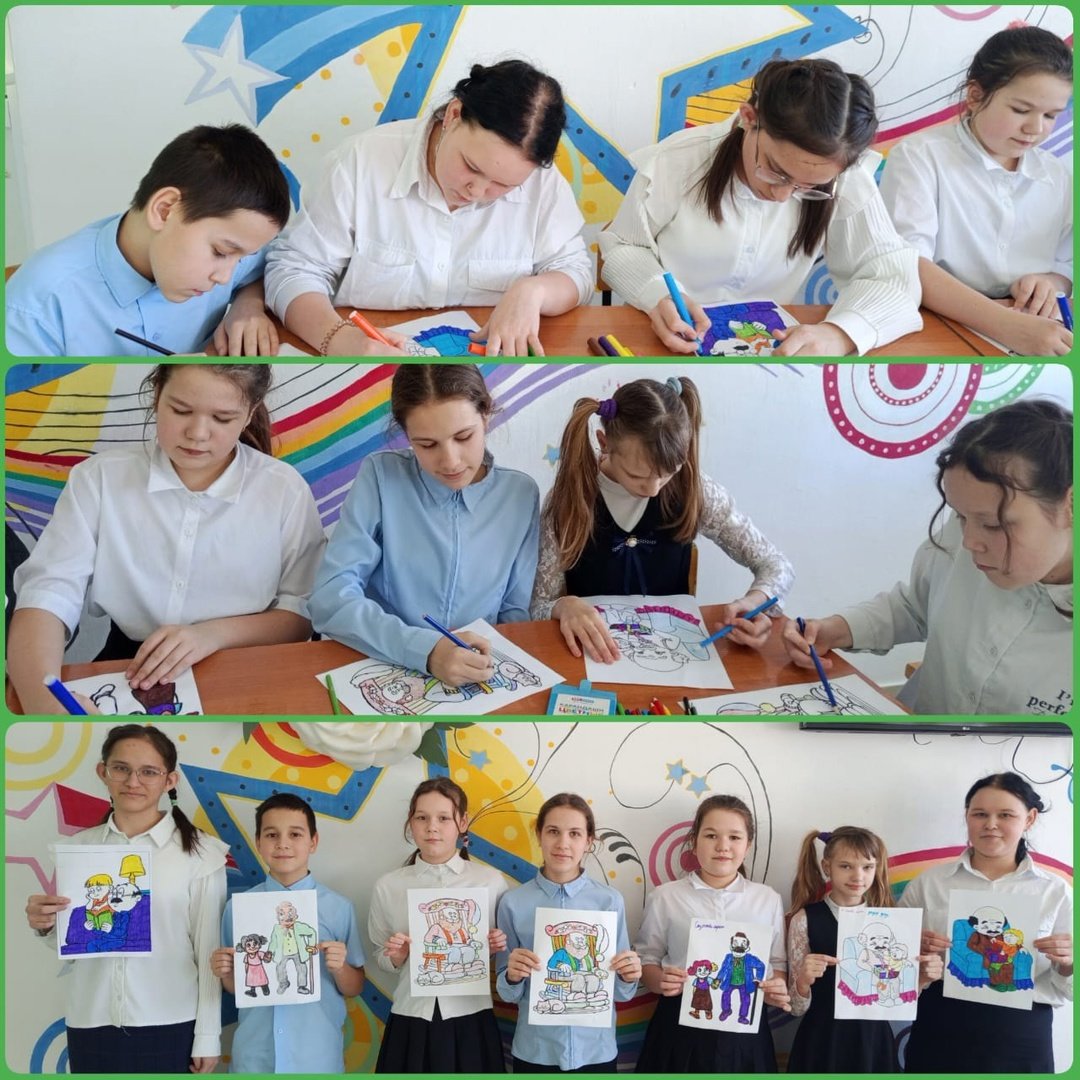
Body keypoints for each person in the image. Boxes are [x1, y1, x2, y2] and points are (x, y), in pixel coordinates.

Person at [8, 363, 326, 714]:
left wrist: (212, 635)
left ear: (250, 413)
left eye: (222, 418)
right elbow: (48, 593)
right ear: (157, 396)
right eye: (181, 411)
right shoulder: (99, 478)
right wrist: (40, 698)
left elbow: (300, 614)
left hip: (249, 668)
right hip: (131, 665)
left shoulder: (284, 489)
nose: (197, 433)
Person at [264, 59, 592, 357]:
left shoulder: (543, 184)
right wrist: (338, 339)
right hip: (372, 358)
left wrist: (532, 290)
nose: (477, 192)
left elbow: (575, 272)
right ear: (453, 115)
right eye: (471, 166)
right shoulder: (359, 163)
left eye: (503, 185)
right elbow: (294, 271)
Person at [598, 59, 921, 357]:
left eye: (809, 186)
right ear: (749, 118)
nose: (782, 196)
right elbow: (624, 246)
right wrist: (658, 296)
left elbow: (893, 278)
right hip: (663, 343)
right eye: (776, 171)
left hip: (768, 352)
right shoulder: (678, 161)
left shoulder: (844, 177)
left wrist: (840, 334)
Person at [782, 399, 1072, 714]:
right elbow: (915, 607)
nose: (970, 542)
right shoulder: (961, 539)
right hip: (914, 731)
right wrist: (833, 629)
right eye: (960, 516)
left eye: (992, 525)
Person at [531, 375, 793, 662]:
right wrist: (562, 606)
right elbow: (537, 606)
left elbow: (776, 565)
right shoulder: (568, 500)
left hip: (674, 657)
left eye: (669, 473)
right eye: (637, 476)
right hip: (593, 659)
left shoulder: (695, 490)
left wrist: (756, 601)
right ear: (604, 443)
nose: (654, 489)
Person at [310, 363, 539, 688]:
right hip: (382, 668)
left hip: (479, 679)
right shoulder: (381, 477)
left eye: (464, 437)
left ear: (486, 414)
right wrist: (427, 651)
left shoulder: (521, 494)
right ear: (407, 436)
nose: (451, 461)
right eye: (427, 445)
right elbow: (329, 600)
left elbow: (515, 614)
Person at [24, 724, 228, 1073]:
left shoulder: (201, 854)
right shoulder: (77, 850)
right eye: (121, 768)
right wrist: (45, 925)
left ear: (169, 781)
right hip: (90, 1020)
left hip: (171, 1021)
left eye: (148, 772)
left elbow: (209, 949)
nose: (133, 781)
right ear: (103, 772)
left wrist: (208, 1036)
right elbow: (77, 941)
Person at [5, 124, 289, 356]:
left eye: (240, 258)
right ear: (165, 210)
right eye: (220, 252)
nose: (226, 277)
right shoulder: (39, 305)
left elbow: (265, 269)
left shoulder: (232, 239)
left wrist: (247, 305)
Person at [880, 26, 1073, 357]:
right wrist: (1007, 325)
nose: (1035, 128)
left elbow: (1066, 267)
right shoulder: (919, 156)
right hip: (936, 327)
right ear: (974, 96)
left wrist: (1050, 283)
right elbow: (908, 265)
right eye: (1020, 110)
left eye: (1051, 115)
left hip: (1032, 329)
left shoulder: (1058, 176)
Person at [898, 772, 1073, 1073]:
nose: (991, 824)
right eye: (980, 814)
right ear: (967, 816)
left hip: (1022, 1036)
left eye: (1005, 815)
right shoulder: (930, 883)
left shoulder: (1055, 892)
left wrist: (1068, 964)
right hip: (941, 1028)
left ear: (1029, 818)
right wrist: (915, 950)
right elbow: (894, 962)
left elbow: (1070, 989)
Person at [634, 794, 790, 1072]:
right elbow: (647, 959)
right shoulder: (665, 897)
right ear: (694, 842)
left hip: (745, 1029)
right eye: (711, 836)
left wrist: (775, 987)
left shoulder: (767, 899)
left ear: (748, 845)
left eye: (734, 837)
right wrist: (660, 981)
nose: (723, 846)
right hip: (679, 1026)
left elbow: (777, 964)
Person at [211, 793, 365, 1073]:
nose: (283, 843)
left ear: (313, 842)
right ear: (258, 842)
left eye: (295, 834)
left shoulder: (338, 908)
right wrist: (225, 973)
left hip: (316, 1058)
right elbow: (237, 986)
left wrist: (340, 968)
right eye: (272, 835)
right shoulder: (238, 909)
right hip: (255, 1058)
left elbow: (354, 987)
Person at [367, 778, 508, 1073]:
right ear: (411, 822)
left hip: (471, 1017)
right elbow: (380, 954)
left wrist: (495, 947)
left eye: (444, 818)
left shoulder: (490, 881)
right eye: (422, 817)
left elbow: (501, 956)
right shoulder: (388, 885)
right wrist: (396, 956)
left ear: (462, 822)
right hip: (411, 1017)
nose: (432, 827)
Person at [496, 793, 641, 1072]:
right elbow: (508, 993)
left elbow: (621, 993)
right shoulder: (512, 903)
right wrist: (512, 975)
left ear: (589, 841)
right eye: (553, 831)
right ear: (539, 835)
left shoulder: (610, 901)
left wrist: (628, 975)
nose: (563, 843)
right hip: (536, 1050)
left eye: (575, 833)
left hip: (596, 1050)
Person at [785, 826, 941, 1072]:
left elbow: (896, 999)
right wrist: (804, 980)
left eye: (867, 867)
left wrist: (922, 978)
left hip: (873, 1042)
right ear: (827, 867)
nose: (858, 876)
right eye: (846, 866)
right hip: (822, 1041)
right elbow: (795, 1007)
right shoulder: (805, 919)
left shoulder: (892, 921)